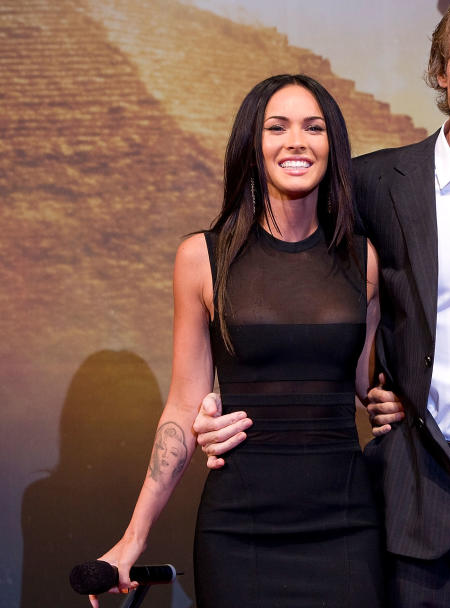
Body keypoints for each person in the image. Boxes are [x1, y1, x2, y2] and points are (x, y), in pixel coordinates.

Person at [195, 0, 450, 607]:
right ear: (442, 74)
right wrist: (221, 396)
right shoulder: (376, 183)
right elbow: (295, 281)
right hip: (418, 492)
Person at [91, 74, 383, 608]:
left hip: (347, 527)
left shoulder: (362, 259)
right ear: (253, 144)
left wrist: (394, 397)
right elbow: (183, 403)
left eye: (313, 127)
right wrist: (133, 537)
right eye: (278, 127)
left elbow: (370, 385)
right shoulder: (202, 258)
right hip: (240, 532)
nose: (296, 140)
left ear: (332, 146)